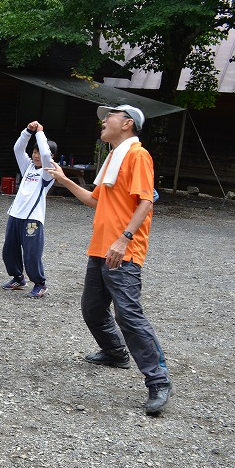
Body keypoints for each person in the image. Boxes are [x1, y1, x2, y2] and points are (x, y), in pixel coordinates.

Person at [46, 104, 172, 416]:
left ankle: (158, 380)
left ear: (127, 124)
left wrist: (124, 238)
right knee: (91, 308)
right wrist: (64, 179)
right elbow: (94, 199)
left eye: (110, 116)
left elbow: (146, 201)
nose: (103, 120)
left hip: (123, 250)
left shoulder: (137, 155)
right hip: (100, 248)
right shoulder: (114, 157)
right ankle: (116, 352)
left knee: (128, 314)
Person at [1, 121, 57, 298]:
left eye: (39, 152)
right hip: (15, 214)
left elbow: (47, 155)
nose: (37, 155)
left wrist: (40, 133)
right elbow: (18, 149)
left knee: (31, 254)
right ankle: (18, 278)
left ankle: (40, 284)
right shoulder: (28, 168)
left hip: (33, 218)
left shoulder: (49, 171)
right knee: (9, 250)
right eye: (34, 152)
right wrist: (27, 132)